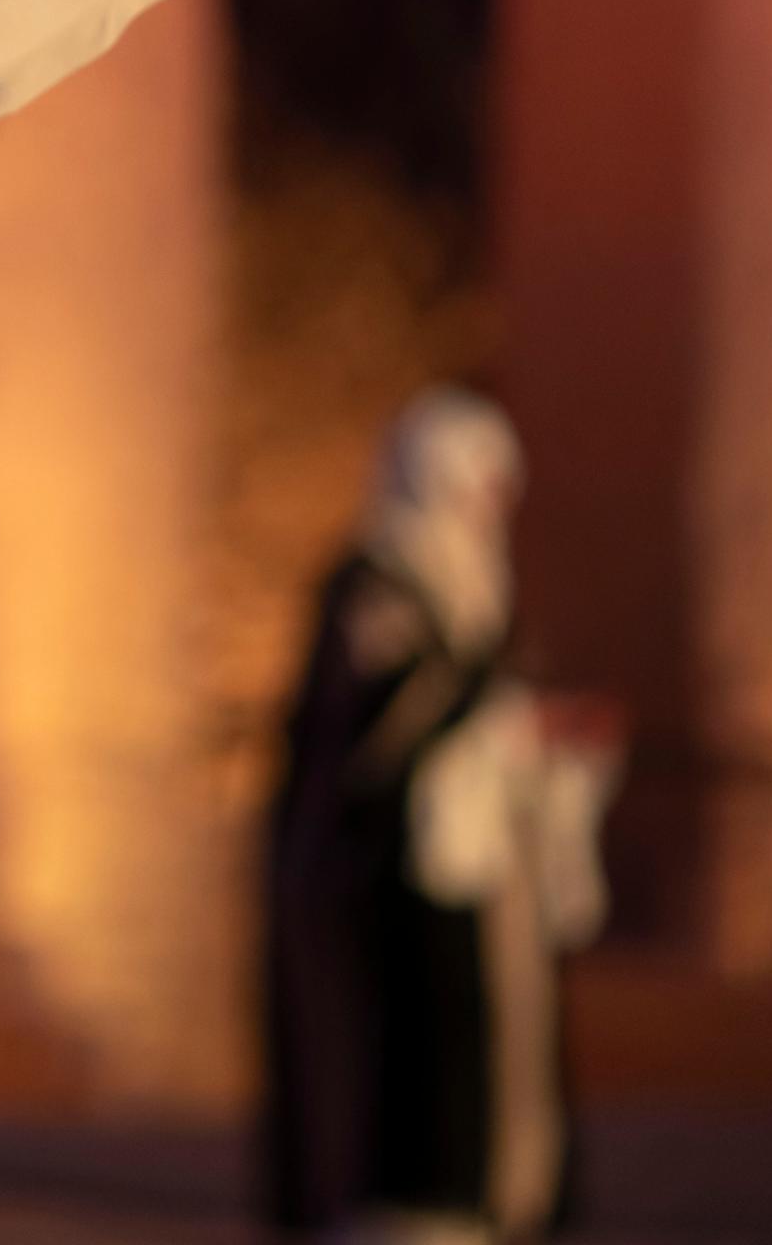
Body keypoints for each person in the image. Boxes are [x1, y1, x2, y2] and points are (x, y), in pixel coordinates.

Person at [264, 386, 619, 1244]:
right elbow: (374, 737)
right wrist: (506, 723)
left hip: (481, 899)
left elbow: (477, 702)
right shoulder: (373, 587)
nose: (489, 509)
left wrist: (548, 735)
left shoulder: (477, 592)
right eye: (476, 486)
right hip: (378, 908)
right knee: (400, 1104)